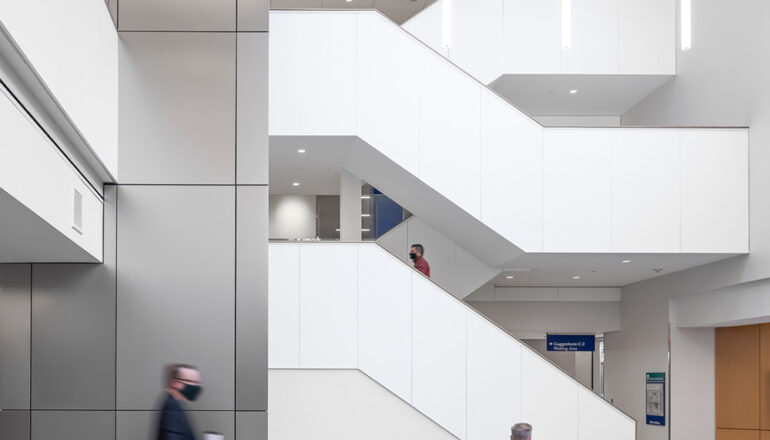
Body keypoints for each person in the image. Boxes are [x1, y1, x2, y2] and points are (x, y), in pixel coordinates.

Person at [157, 364, 203, 440]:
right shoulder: (172, 408)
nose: (198, 386)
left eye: (198, 382)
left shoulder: (175, 405)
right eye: (193, 382)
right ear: (176, 383)